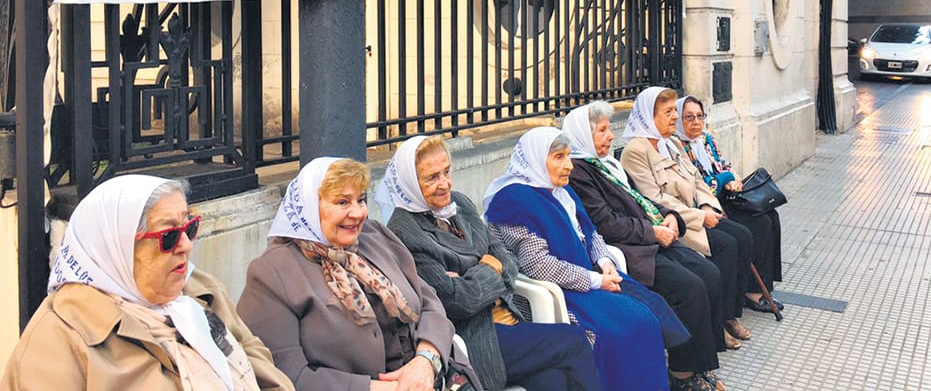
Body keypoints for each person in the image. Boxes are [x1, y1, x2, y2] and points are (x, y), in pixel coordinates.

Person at [1, 174, 293, 391]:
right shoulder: (60, 339)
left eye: (189, 228)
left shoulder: (199, 290)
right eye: (167, 236)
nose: (186, 246)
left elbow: (254, 354)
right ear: (116, 249)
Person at [378, 134, 604, 391]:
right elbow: (458, 301)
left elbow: (507, 261)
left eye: (447, 172)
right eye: (432, 178)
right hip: (476, 339)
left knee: (555, 380)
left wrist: (475, 276)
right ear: (409, 183)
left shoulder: (459, 204)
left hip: (509, 319)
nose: (444, 184)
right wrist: (488, 266)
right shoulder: (405, 232)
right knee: (573, 339)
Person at [238, 157, 476, 391]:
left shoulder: (375, 236)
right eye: (342, 202)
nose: (357, 213)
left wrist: (426, 361)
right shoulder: (273, 273)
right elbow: (287, 375)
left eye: (360, 200)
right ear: (309, 206)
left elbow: (429, 302)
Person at [483, 126, 690, 391]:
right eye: (558, 157)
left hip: (592, 276)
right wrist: (596, 280)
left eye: (568, 156)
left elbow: (590, 233)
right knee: (623, 330)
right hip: (564, 289)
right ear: (535, 159)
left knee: (650, 311)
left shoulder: (561, 191)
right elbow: (538, 265)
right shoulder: (513, 201)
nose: (569, 165)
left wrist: (605, 263)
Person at [563, 101, 727, 391]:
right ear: (583, 135)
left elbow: (638, 198)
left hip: (652, 236)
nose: (610, 136)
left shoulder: (607, 164)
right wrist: (653, 232)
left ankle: (699, 364)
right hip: (631, 248)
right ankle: (682, 374)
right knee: (688, 287)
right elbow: (606, 223)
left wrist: (670, 216)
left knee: (709, 273)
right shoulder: (578, 172)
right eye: (601, 131)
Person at [621, 87, 754, 351]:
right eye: (668, 112)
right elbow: (655, 198)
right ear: (650, 115)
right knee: (726, 247)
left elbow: (695, 177)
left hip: (698, 212)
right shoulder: (635, 151)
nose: (675, 117)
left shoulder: (671, 142)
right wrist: (698, 216)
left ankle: (730, 314)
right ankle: (719, 323)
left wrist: (708, 204)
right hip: (681, 223)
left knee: (743, 236)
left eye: (674, 111)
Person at [676, 94, 784, 314]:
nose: (696, 122)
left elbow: (725, 165)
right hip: (705, 204)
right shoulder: (678, 146)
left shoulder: (706, 139)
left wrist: (733, 178)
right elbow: (702, 184)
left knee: (770, 216)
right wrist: (726, 179)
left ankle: (764, 283)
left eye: (699, 116)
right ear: (679, 120)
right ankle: (751, 292)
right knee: (759, 224)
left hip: (727, 196)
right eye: (689, 117)